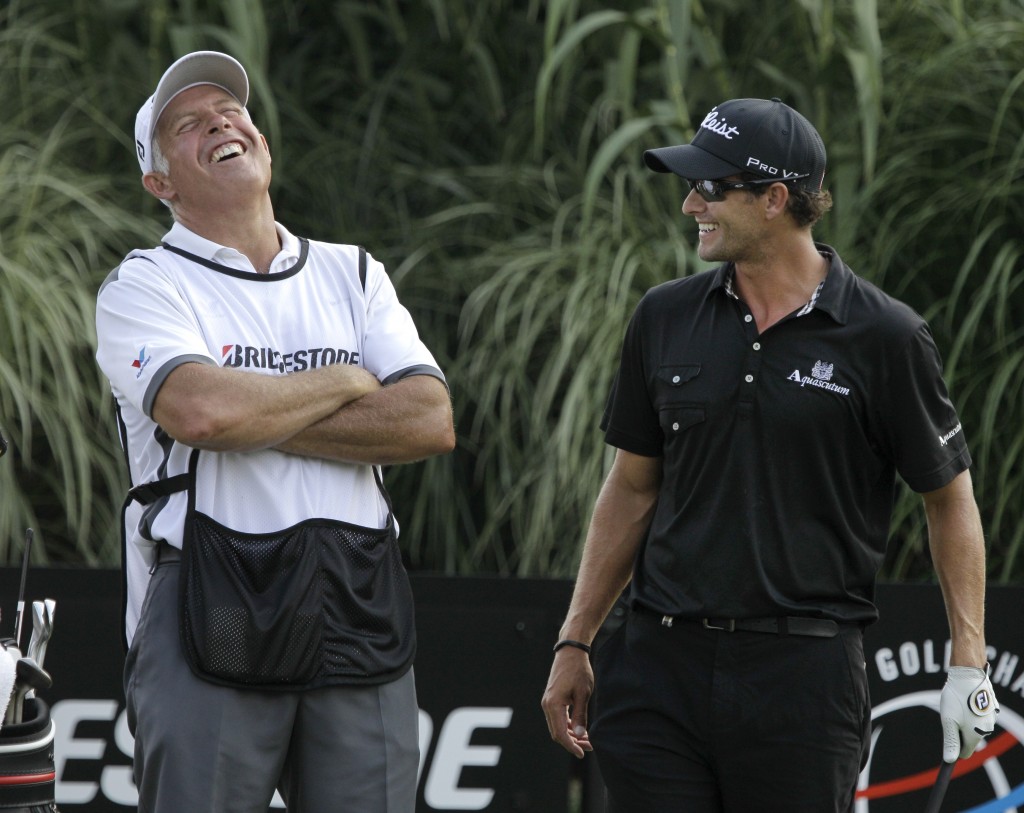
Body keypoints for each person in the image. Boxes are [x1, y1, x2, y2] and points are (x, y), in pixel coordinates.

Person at [541, 97, 998, 812]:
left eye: (711, 188)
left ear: (776, 199)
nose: (692, 204)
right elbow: (631, 488)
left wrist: (967, 654)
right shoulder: (663, 316)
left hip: (803, 680)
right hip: (659, 668)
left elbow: (950, 497)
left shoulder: (886, 337)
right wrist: (576, 640)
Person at [95, 51, 455, 813]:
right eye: (187, 124)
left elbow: (428, 418)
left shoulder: (353, 272)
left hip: (358, 591)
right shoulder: (144, 282)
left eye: (230, 110)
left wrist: (254, 412)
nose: (220, 122)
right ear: (161, 182)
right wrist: (345, 381)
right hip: (209, 597)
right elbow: (200, 412)